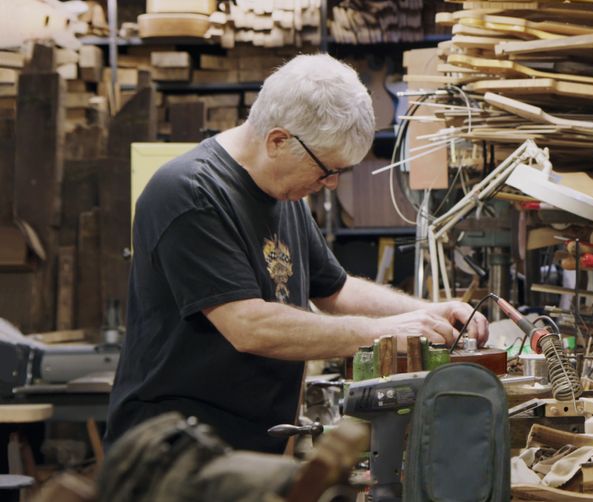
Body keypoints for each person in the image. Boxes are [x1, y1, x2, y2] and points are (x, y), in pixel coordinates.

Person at [105, 54, 489, 454]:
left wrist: (429, 313)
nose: (330, 184)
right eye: (326, 170)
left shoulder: (283, 193)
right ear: (278, 140)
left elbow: (336, 290)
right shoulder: (189, 193)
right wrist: (386, 332)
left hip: (247, 445)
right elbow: (250, 325)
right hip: (176, 453)